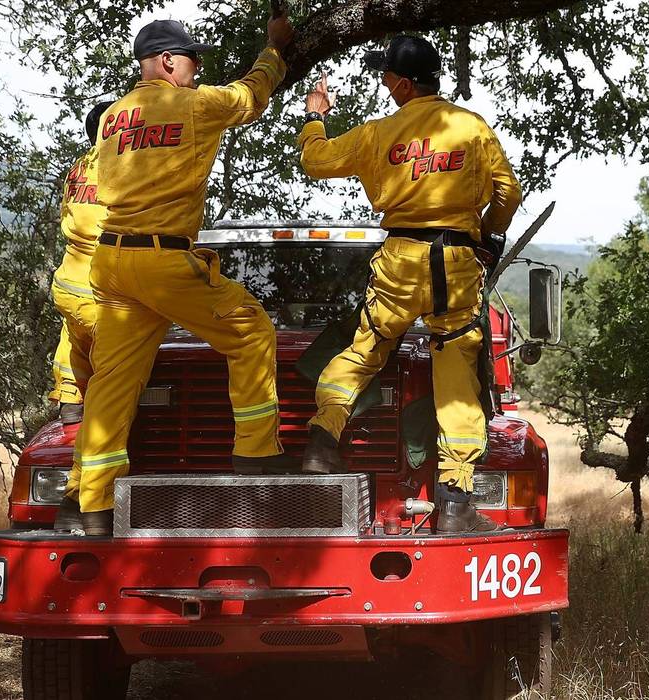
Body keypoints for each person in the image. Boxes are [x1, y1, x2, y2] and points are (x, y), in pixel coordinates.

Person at [71, 13, 295, 535]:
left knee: (112, 382)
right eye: (194, 60)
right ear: (168, 61)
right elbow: (250, 95)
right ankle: (257, 455)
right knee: (250, 332)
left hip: (112, 262)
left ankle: (93, 506)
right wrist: (273, 50)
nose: (197, 70)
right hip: (163, 259)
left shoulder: (112, 119)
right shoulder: (195, 105)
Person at [296, 35, 522, 533]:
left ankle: (322, 440)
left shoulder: (378, 133)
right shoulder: (470, 126)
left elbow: (314, 162)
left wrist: (315, 116)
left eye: (384, 76)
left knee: (364, 349)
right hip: (456, 262)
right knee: (457, 366)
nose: (383, 84)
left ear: (400, 84)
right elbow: (508, 190)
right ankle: (456, 503)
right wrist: (486, 234)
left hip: (400, 258)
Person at [49, 102, 113, 430]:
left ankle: (70, 400)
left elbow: (66, 214)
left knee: (74, 335)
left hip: (69, 282)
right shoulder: (119, 166)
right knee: (117, 363)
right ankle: (104, 424)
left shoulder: (79, 166)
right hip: (99, 287)